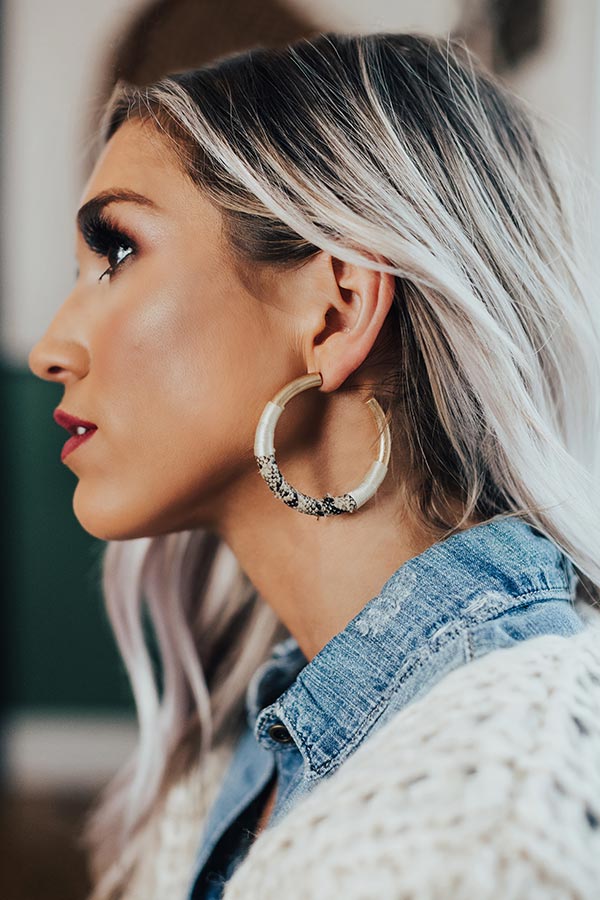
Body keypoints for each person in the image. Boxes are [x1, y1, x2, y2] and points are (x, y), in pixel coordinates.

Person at [27, 31, 600, 900]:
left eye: (118, 253)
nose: (50, 350)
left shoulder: (485, 829)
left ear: (336, 312)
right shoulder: (245, 754)